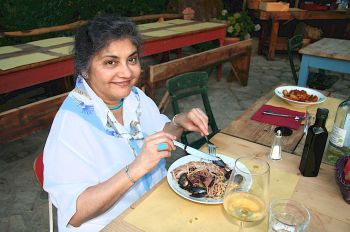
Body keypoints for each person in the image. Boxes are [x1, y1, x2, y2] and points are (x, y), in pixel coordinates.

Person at [43, 15, 209, 231]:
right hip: (109, 224)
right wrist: (137, 168)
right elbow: (75, 213)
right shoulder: (72, 125)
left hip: (152, 207)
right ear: (85, 69)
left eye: (132, 59)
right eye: (111, 62)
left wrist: (179, 123)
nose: (127, 73)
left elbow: (161, 138)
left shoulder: (135, 97)